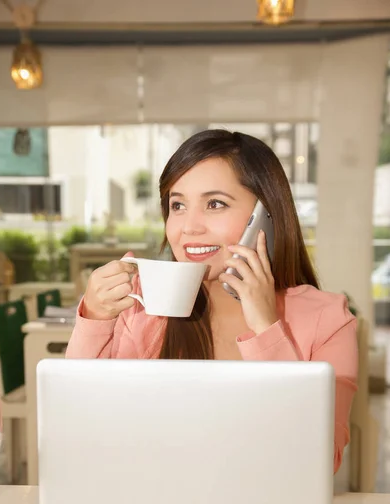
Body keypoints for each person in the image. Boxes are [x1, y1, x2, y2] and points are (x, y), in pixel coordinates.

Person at [66, 129, 358, 473]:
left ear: (265, 216)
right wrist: (96, 320)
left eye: (214, 204)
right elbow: (77, 425)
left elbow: (319, 462)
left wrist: (267, 328)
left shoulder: (328, 319)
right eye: (177, 205)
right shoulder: (143, 306)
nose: (188, 227)